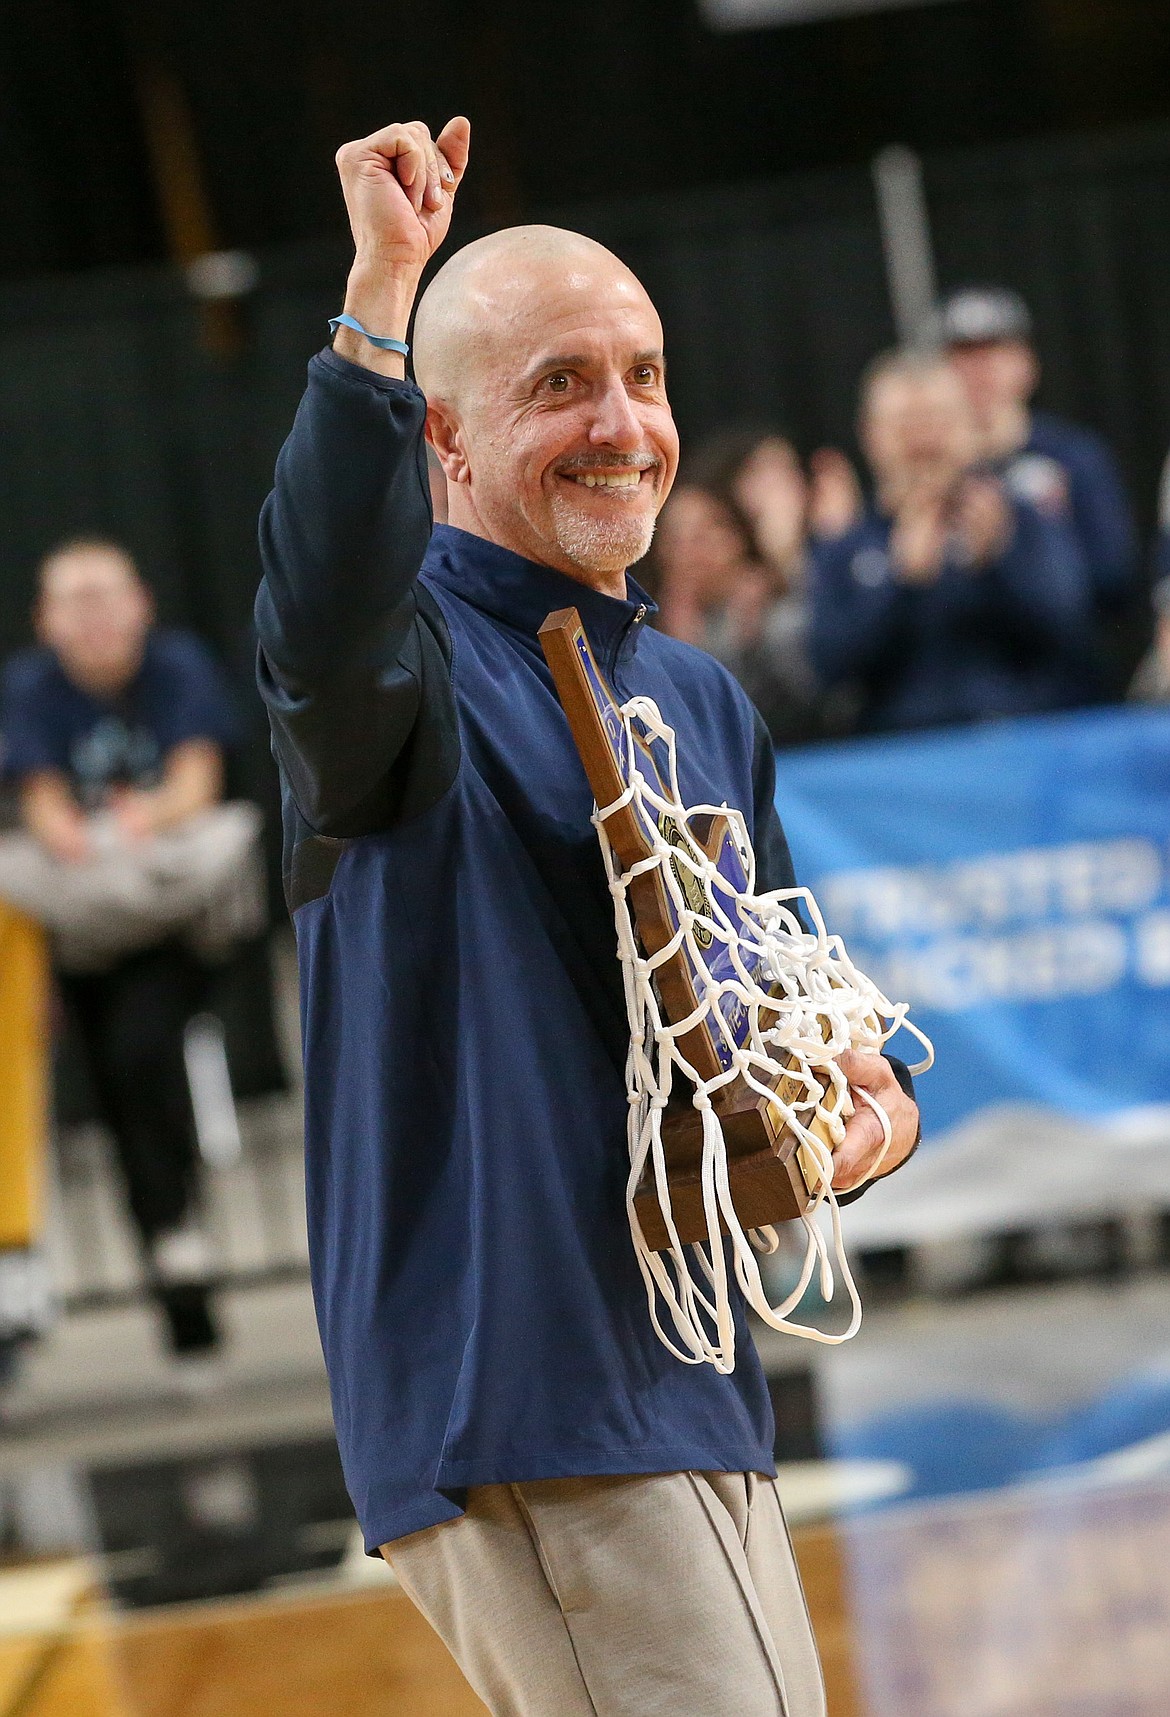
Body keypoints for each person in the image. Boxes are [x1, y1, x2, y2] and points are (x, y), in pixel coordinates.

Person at [255, 116, 921, 1717]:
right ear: (445, 441)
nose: (620, 421)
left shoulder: (691, 692)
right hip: (522, 1390)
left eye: (642, 374)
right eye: (557, 383)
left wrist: (868, 1109)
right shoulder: (397, 673)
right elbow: (319, 594)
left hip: (684, 1377)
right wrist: (382, 290)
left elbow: (794, 999)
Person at [0, 540, 238, 1369]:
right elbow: (44, 811)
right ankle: (174, 1268)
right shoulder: (32, 689)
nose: (95, 615)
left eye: (107, 594)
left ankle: (181, 1238)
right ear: (45, 619)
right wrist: (102, 836)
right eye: (75, 599)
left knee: (150, 1053)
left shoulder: (176, 667)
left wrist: (130, 829)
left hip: (169, 924)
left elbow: (195, 783)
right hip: (80, 928)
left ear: (140, 601)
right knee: (112, 1090)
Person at [809, 350, 1100, 733]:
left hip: (1025, 748)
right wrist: (901, 581)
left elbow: (1075, 629)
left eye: (939, 420)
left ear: (969, 426)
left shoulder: (1023, 520)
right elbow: (829, 667)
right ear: (870, 435)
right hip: (898, 763)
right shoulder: (846, 545)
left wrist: (1001, 561)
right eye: (905, 425)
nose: (925, 440)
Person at [937, 286, 1137, 616]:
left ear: (1027, 363)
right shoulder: (930, 468)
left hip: (1060, 653)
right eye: (963, 355)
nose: (979, 370)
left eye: (994, 351)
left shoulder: (1074, 455)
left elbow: (1114, 577)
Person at [654, 431, 860, 745]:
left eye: (706, 533)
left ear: (736, 538)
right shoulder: (648, 621)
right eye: (677, 538)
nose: (692, 551)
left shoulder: (778, 594)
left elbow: (821, 682)